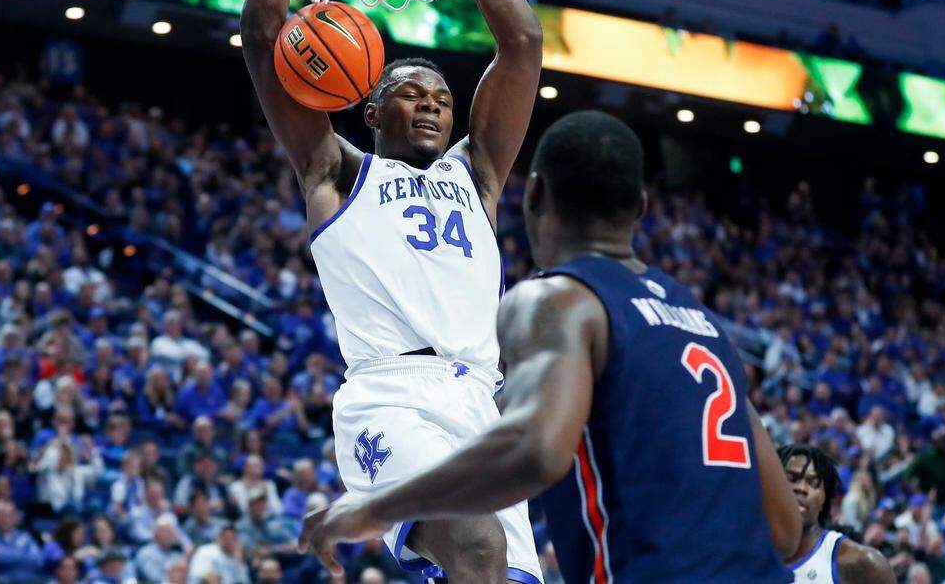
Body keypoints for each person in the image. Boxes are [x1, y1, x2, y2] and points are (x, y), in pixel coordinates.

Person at [297, 111, 800, 582]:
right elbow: (785, 529)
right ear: (641, 208)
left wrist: (373, 508)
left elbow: (533, 453)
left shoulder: (560, 300)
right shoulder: (703, 326)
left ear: (533, 195)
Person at [240, 0, 544, 583]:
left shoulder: (476, 174)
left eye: (443, 97)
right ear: (371, 105)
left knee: (508, 573)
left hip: (481, 401)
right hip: (392, 396)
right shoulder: (335, 170)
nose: (435, 104)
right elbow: (263, 33)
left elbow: (523, 43)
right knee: (475, 549)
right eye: (413, 92)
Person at [777, 444, 895, 583]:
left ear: (824, 500)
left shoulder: (861, 563)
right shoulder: (747, 552)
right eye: (792, 479)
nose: (801, 488)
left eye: (813, 482)